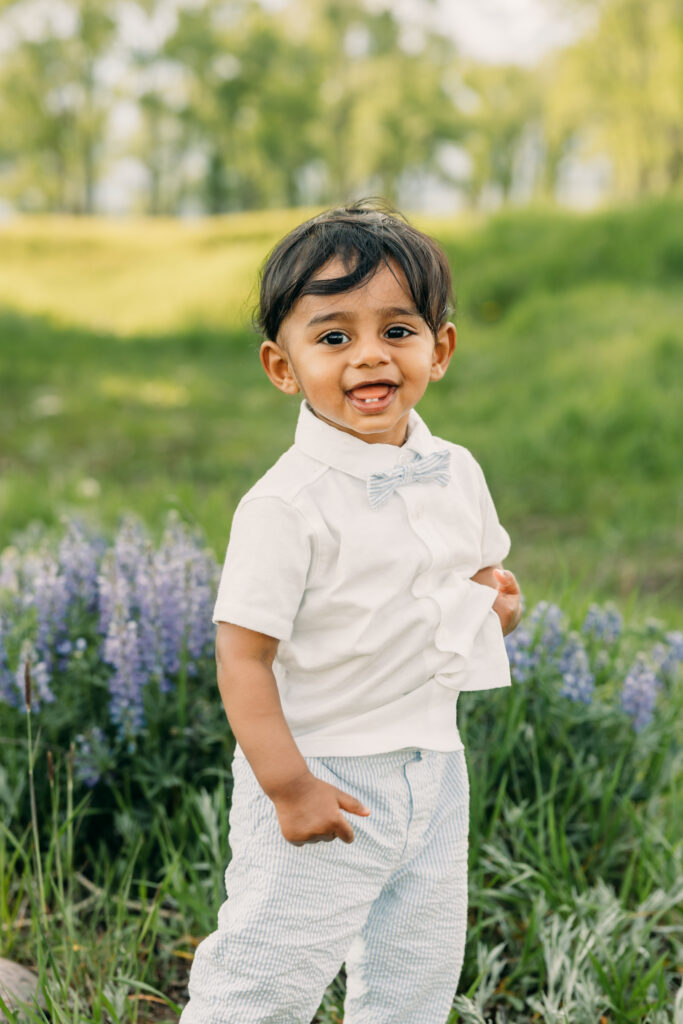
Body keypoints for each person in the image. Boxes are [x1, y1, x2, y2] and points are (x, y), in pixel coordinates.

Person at [179, 199, 522, 1024]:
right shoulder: (285, 505)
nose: (369, 356)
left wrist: (497, 608)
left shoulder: (454, 468)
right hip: (320, 768)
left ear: (437, 350)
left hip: (434, 771)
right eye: (333, 337)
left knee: (415, 974)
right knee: (267, 971)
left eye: (396, 332)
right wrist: (289, 786)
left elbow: (479, 576)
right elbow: (243, 656)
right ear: (282, 365)